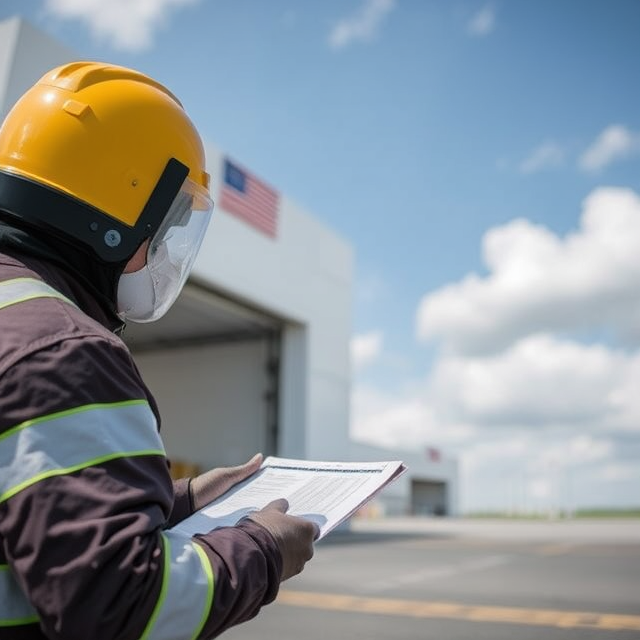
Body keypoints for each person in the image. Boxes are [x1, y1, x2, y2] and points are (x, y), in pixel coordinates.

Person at [0, 61, 317, 640]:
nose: (165, 254)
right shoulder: (62, 350)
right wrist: (263, 549)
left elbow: (32, 505)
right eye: (165, 227)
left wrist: (181, 499)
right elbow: (119, 606)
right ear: (116, 216)